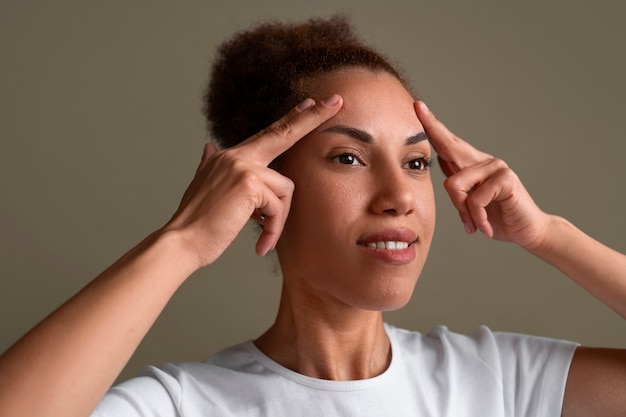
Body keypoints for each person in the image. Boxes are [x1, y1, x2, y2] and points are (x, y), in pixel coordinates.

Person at [0, 15, 625, 417]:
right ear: (264, 188)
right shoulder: (185, 405)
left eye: (415, 164)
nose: (399, 196)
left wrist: (548, 234)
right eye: (349, 157)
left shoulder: (500, 383)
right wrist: (183, 242)